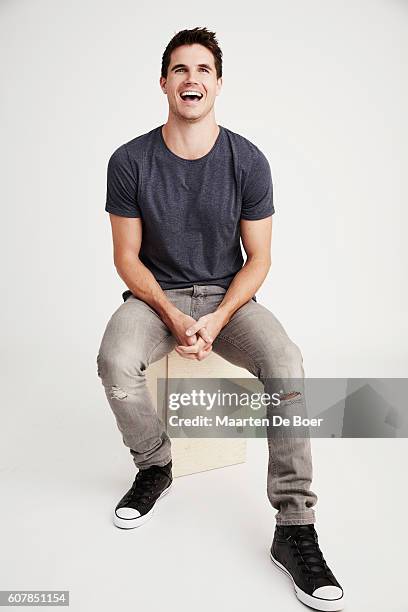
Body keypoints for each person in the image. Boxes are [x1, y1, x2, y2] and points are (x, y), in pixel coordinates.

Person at [96, 26, 345, 611]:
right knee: (114, 360)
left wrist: (216, 317)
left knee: (287, 363)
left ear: (218, 84)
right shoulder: (130, 160)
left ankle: (295, 527)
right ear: (163, 83)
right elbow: (126, 258)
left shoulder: (247, 159)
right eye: (180, 69)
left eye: (202, 70)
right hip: (155, 298)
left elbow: (259, 259)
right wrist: (171, 314)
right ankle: (155, 463)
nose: (191, 79)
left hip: (229, 299)